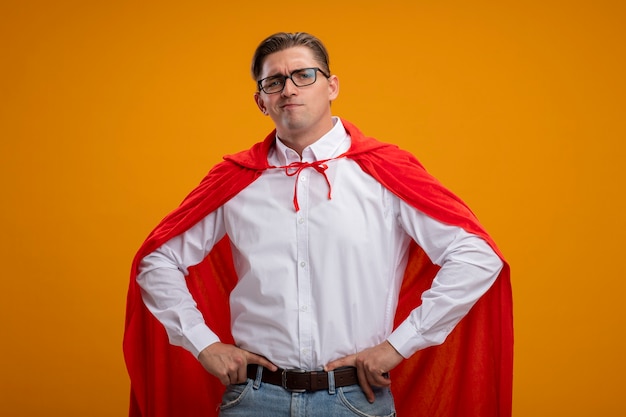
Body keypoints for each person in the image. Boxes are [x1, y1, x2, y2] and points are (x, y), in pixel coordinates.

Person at [123, 32, 513, 417]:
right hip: (255, 401)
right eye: (274, 81)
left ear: (331, 86)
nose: (289, 89)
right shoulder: (237, 179)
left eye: (304, 75)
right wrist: (203, 343)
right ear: (261, 101)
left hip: (355, 401)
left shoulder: (383, 171)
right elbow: (155, 262)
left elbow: (476, 256)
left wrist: (398, 346)